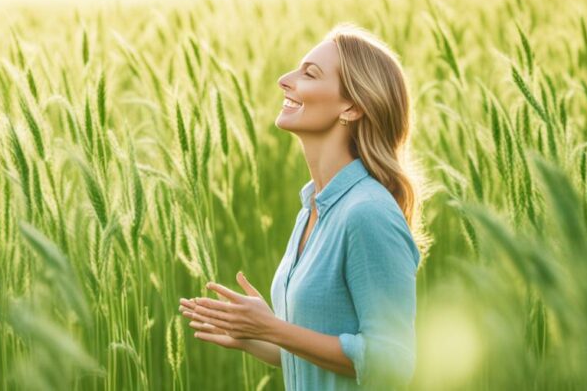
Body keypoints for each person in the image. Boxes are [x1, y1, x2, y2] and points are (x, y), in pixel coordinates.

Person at [179, 22, 425, 390]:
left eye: (309, 73)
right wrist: (258, 337)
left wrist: (273, 327)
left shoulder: (368, 212)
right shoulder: (313, 207)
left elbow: (393, 363)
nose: (284, 79)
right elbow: (324, 356)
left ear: (352, 106)